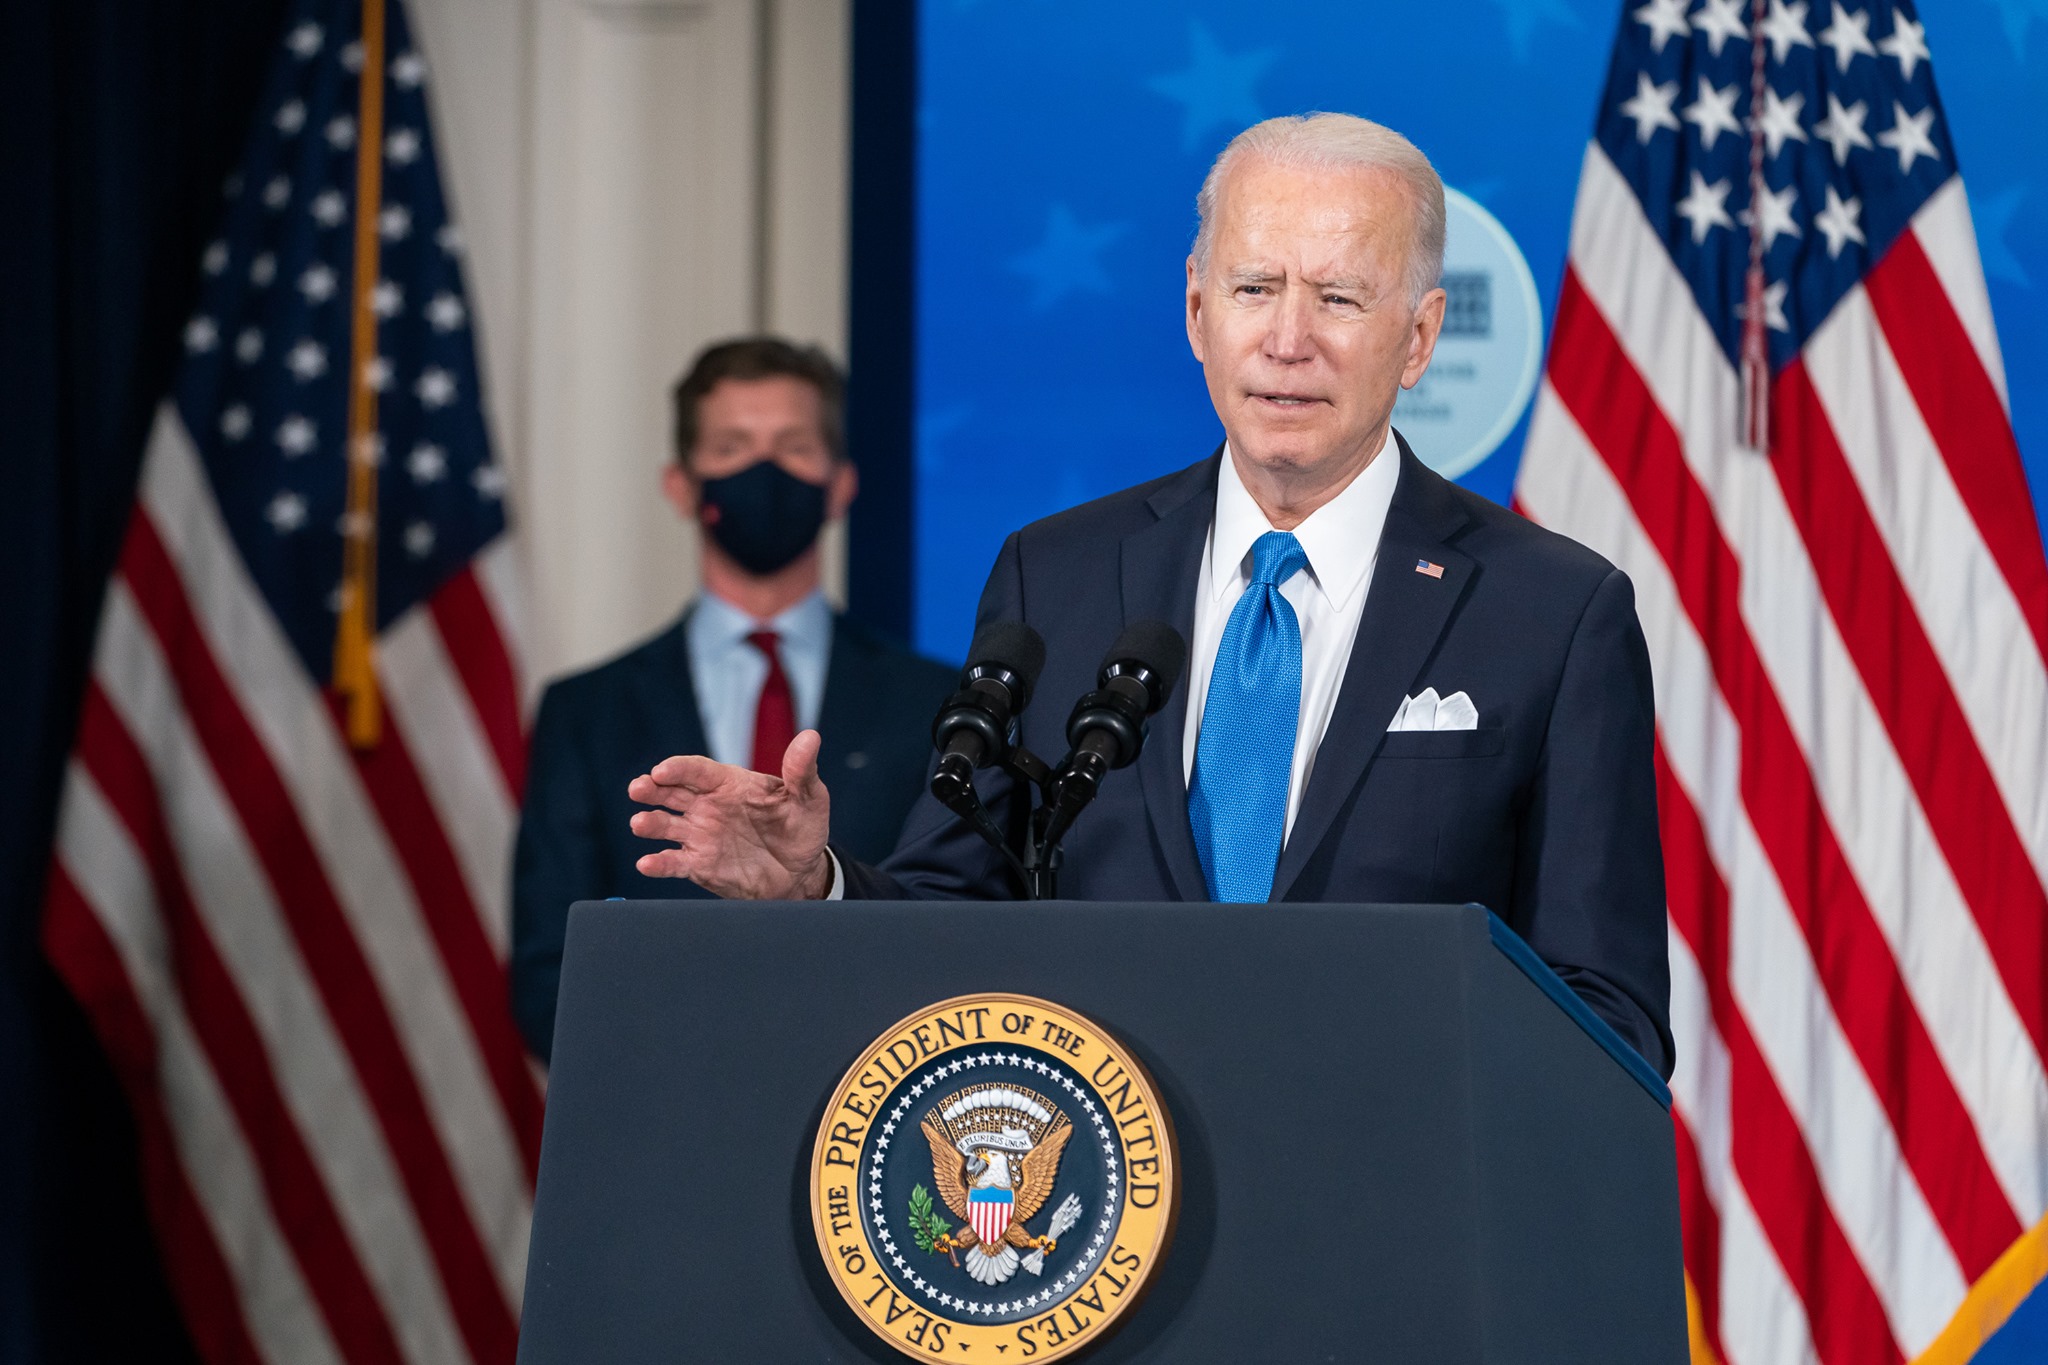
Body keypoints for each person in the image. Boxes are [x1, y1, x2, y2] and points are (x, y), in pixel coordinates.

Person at [624, 117, 1673, 1077]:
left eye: (1340, 298)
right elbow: (957, 907)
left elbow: (1604, 1009)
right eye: (1255, 289)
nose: (1287, 340)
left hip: (1397, 1219)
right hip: (1105, 1223)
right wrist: (821, 885)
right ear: (1194, 310)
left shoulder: (1553, 612)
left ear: (1418, 337)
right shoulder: (1059, 572)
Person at [510, 338, 957, 1061]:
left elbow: (959, 931)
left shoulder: (937, 701)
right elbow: (545, 974)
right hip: (657, 1124)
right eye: (732, 446)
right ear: (682, 485)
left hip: (874, 1111)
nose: (764, 471)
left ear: (841, 484)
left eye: (793, 446)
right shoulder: (585, 712)